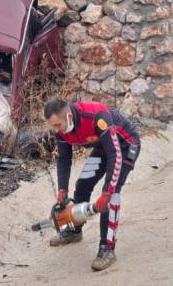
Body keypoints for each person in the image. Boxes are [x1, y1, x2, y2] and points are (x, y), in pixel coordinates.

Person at [44, 99, 141, 271]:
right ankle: (75, 231)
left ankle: (107, 248)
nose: (56, 130)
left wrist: (107, 192)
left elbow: (115, 154)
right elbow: (64, 159)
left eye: (58, 125)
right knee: (82, 186)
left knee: (111, 195)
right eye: (53, 126)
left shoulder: (97, 116)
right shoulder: (60, 130)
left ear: (68, 116)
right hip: (104, 147)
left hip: (125, 146)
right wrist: (62, 189)